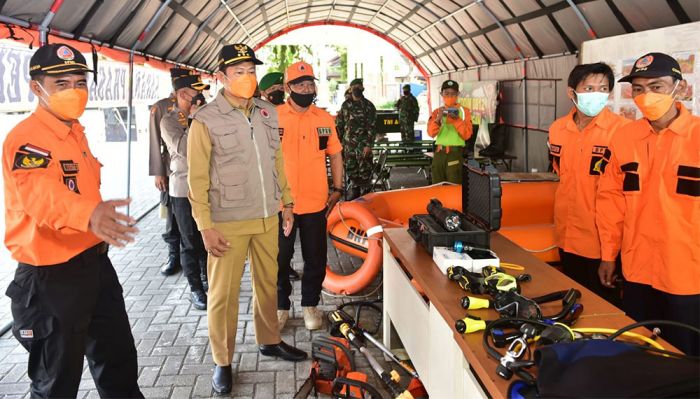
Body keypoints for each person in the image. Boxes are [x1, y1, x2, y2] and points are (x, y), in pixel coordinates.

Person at [2, 43, 142, 398]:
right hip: (51, 282)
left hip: (94, 268)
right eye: (61, 84)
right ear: (37, 88)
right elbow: (40, 194)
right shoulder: (28, 139)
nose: (75, 91)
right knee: (56, 385)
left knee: (118, 364)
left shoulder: (75, 133)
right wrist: (88, 213)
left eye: (80, 83)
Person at [187, 43, 307, 394]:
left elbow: (276, 162)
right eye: (239, 72)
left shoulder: (268, 113)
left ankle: (269, 339)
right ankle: (222, 360)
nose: (248, 77)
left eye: (251, 71)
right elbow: (197, 180)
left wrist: (287, 203)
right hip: (227, 221)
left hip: (268, 215)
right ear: (221, 77)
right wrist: (205, 226)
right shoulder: (205, 120)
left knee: (267, 283)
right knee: (223, 295)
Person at [597, 52, 700, 355]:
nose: (646, 96)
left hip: (688, 276)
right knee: (639, 351)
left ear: (679, 88)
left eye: (656, 87)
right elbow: (610, 201)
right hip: (637, 270)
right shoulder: (624, 138)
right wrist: (608, 254)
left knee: (686, 360)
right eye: (639, 89)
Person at [548, 63, 630, 307]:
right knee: (574, 305)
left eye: (603, 88)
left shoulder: (622, 132)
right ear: (571, 92)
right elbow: (560, 174)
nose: (596, 94)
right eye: (589, 88)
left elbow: (620, 195)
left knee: (604, 308)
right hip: (567, 236)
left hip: (602, 243)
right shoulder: (557, 129)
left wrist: (610, 254)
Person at [276, 61, 344, 331]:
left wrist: (338, 188)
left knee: (315, 258)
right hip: (282, 206)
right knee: (279, 259)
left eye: (310, 84)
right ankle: (281, 307)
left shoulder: (324, 119)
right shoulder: (274, 117)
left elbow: (335, 154)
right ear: (287, 88)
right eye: (300, 84)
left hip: (316, 204)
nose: (306, 88)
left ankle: (310, 306)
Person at [160, 73, 210, 310]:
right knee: (190, 242)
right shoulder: (169, 121)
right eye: (194, 93)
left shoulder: (205, 116)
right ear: (182, 95)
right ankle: (196, 289)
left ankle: (207, 277)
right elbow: (184, 150)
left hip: (207, 187)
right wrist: (193, 119)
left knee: (207, 237)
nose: (199, 97)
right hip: (182, 190)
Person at [149, 67, 195, 276]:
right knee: (172, 215)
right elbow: (154, 141)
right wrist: (159, 172)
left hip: (191, 169)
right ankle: (173, 254)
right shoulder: (162, 107)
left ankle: (192, 260)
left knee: (187, 219)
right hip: (171, 169)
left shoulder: (196, 106)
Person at [336, 78, 376, 199]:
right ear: (350, 89)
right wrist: (338, 144)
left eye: (359, 87)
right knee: (351, 170)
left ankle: (366, 196)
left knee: (365, 171)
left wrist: (368, 145)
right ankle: (354, 191)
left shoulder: (369, 106)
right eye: (354, 87)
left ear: (362, 88)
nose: (357, 89)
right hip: (348, 146)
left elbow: (372, 127)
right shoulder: (345, 105)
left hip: (363, 146)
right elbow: (340, 125)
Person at [427, 80, 472, 184]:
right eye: (446, 93)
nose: (449, 96)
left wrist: (456, 120)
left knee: (453, 189)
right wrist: (438, 119)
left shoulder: (464, 111)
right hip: (439, 154)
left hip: (454, 154)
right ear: (441, 94)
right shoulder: (437, 112)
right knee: (436, 188)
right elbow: (431, 133)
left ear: (458, 95)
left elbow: (467, 135)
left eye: (453, 94)